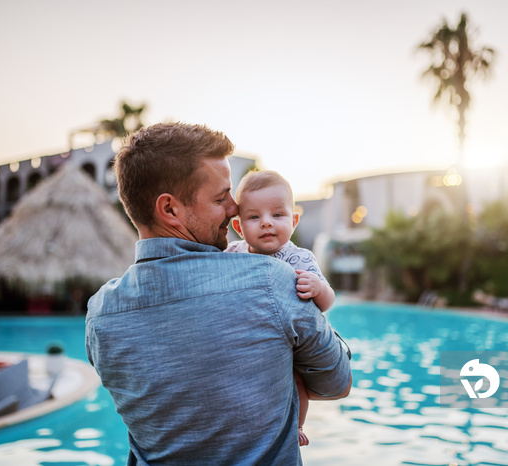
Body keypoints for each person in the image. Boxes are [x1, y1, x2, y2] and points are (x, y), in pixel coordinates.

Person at [85, 122, 352, 465]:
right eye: (220, 197)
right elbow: (338, 381)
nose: (233, 208)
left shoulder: (100, 315)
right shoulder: (271, 282)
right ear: (169, 210)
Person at [225, 170, 336, 446]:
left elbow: (328, 301)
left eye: (277, 215)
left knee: (297, 383)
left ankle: (296, 425)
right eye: (254, 217)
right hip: (249, 341)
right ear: (239, 227)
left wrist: (318, 289)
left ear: (294, 221)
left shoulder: (298, 258)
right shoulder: (232, 254)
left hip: (287, 344)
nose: (266, 224)